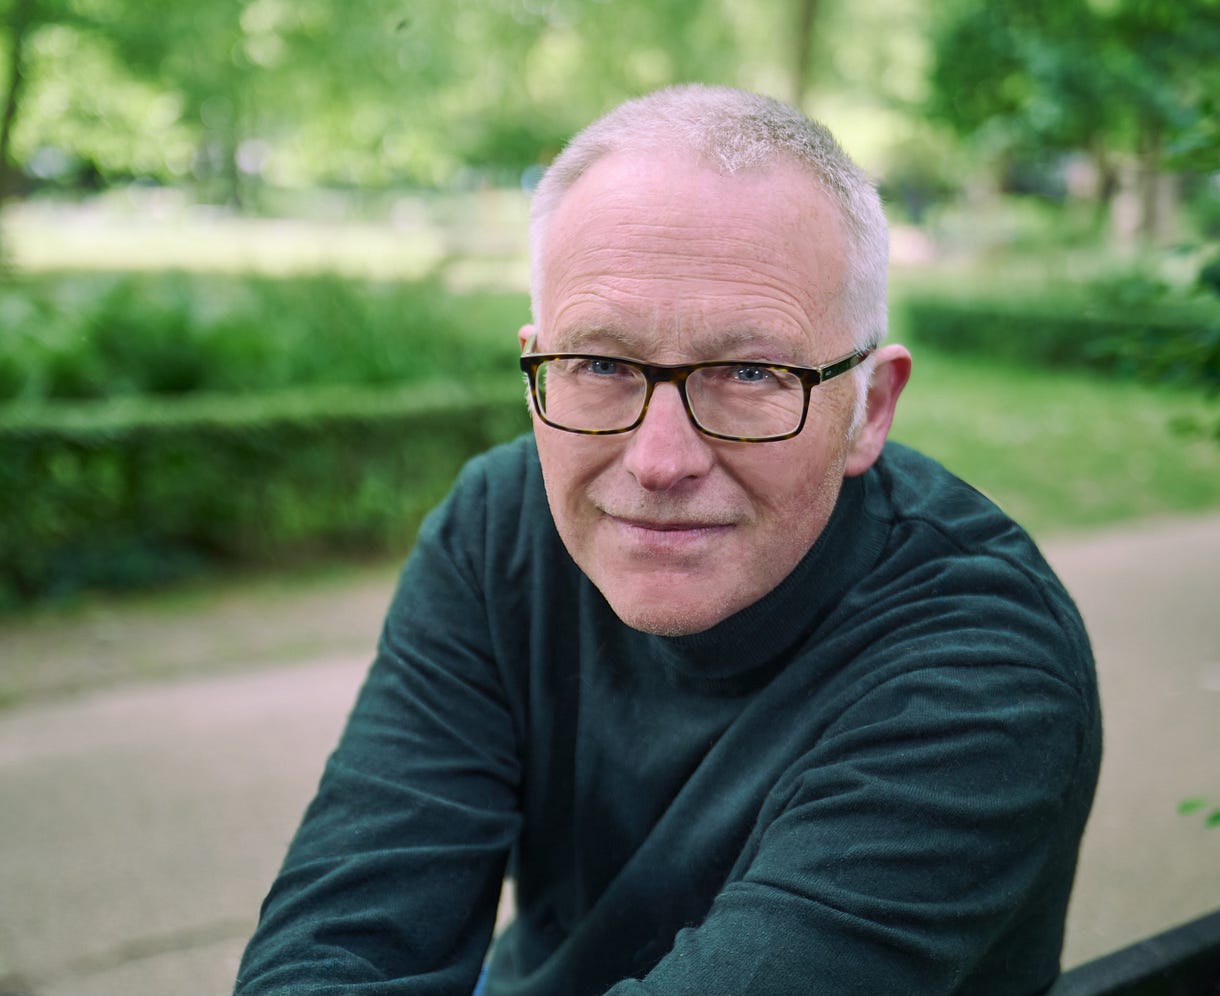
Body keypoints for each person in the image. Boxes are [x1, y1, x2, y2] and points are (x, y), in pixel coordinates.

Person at [234, 84, 1101, 996]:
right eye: (601, 364)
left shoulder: (983, 672)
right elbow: (340, 944)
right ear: (538, 362)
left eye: (750, 371)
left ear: (869, 409)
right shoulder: (501, 529)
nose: (658, 461)